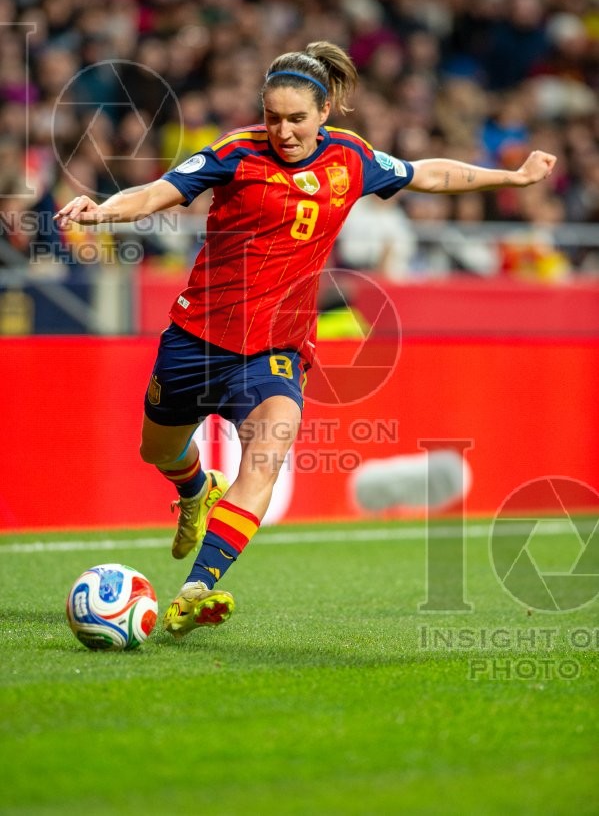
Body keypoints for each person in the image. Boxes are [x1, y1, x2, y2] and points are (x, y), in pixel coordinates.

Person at [54, 41, 556, 639]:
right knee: (156, 451)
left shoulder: (353, 158)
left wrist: (512, 176)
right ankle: (195, 489)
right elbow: (157, 192)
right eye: (273, 117)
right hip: (196, 338)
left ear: (324, 114)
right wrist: (99, 210)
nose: (283, 131)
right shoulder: (233, 153)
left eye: (296, 119)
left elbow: (430, 174)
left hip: (277, 348)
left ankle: (198, 588)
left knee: (265, 454)